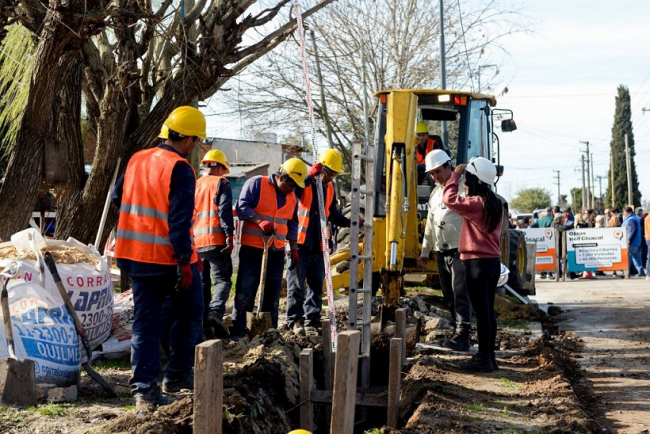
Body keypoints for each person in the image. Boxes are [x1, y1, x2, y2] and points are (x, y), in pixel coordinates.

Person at [112, 106, 205, 410]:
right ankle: (177, 376)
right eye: (196, 141)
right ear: (188, 139)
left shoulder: (138, 158)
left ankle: (145, 391)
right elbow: (179, 223)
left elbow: (116, 198)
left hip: (133, 257)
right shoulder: (180, 169)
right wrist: (184, 261)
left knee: (145, 323)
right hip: (166, 257)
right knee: (190, 314)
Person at [231, 158, 308, 340]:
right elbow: (241, 207)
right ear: (282, 177)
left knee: (272, 292)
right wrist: (259, 220)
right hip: (253, 248)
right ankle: (239, 331)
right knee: (246, 289)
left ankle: (269, 332)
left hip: (277, 250)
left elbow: (293, 224)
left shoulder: (292, 198)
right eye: (291, 185)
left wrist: (294, 248)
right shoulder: (257, 184)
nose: (292, 189)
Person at [443, 156, 503, 373]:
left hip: (476, 264)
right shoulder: (495, 202)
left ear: (476, 180)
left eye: (468, 179)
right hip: (492, 264)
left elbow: (449, 199)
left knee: (482, 313)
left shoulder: (477, 204)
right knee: (488, 312)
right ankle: (489, 357)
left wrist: (455, 175)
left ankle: (483, 358)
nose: (465, 183)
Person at [287, 149, 352, 336]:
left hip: (319, 245)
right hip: (300, 243)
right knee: (297, 286)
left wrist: (348, 222)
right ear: (321, 169)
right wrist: (310, 177)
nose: (330, 178)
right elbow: (295, 192)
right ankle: (295, 320)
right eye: (329, 173)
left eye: (334, 174)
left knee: (316, 286)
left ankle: (312, 319)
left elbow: (331, 213)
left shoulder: (329, 188)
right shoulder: (305, 183)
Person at [419, 150, 472, 351]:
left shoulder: (464, 188)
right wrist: (425, 252)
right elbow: (430, 225)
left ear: (448, 166)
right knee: (449, 295)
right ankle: (457, 332)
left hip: (461, 251)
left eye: (437, 172)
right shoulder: (435, 193)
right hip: (442, 253)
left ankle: (463, 336)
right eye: (431, 174)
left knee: (461, 294)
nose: (435, 177)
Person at [194, 149, 235, 339]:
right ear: (218, 167)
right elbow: (225, 210)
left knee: (202, 284)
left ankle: (203, 325)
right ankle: (215, 313)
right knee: (222, 280)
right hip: (217, 240)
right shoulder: (222, 183)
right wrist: (230, 235)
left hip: (197, 242)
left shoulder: (196, 184)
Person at [622, 206, 646, 277]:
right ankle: (641, 272)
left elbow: (633, 230)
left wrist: (629, 239)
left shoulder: (631, 219)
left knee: (627, 257)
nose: (624, 213)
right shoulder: (634, 218)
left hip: (631, 242)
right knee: (636, 257)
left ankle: (627, 272)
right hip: (636, 242)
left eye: (624, 212)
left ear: (628, 212)